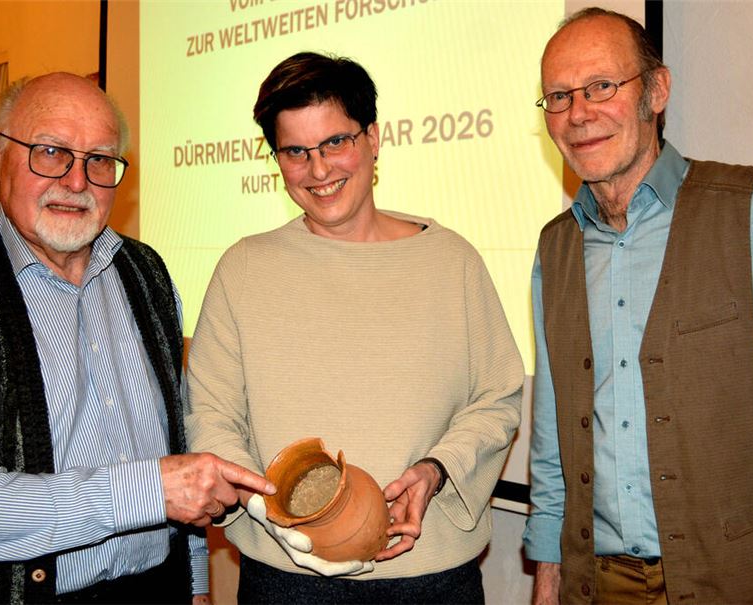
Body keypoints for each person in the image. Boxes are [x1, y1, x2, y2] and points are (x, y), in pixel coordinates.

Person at [522, 8, 753, 605]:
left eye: (601, 87)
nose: (579, 113)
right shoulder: (554, 248)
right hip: (601, 587)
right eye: (558, 96)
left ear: (657, 91)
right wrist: (549, 580)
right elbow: (553, 445)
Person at [0, 72, 275, 604]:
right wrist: (147, 492)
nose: (75, 181)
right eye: (50, 152)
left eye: (98, 160)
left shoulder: (148, 274)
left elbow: (177, 445)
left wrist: (196, 585)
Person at [185, 51, 524, 604]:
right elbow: (213, 415)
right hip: (285, 583)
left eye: (335, 142)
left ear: (372, 138)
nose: (318, 171)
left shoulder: (452, 261)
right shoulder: (244, 269)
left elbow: (497, 399)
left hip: (433, 580)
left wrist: (438, 470)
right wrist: (268, 511)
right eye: (295, 151)